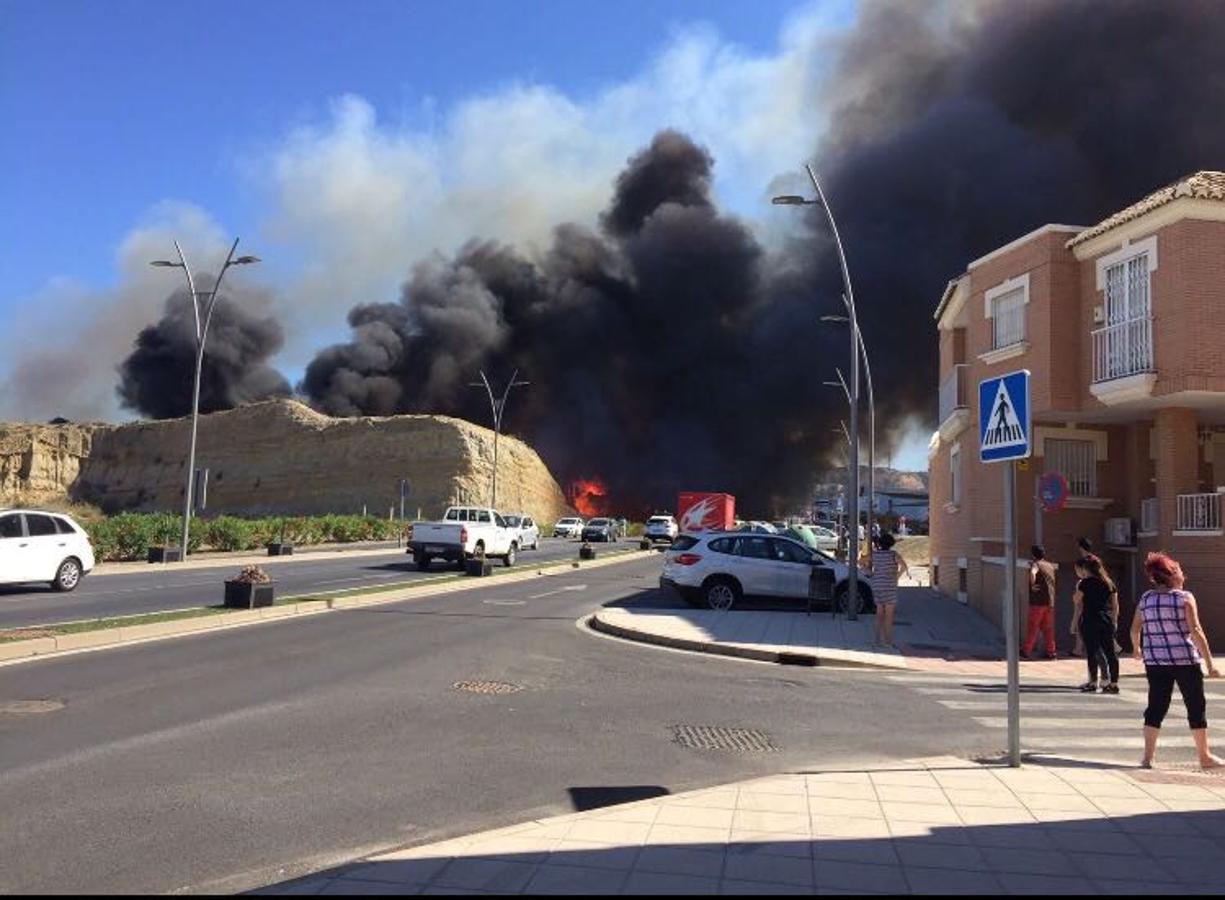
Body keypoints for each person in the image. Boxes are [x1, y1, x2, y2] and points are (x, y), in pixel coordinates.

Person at [1130, 551, 1223, 769]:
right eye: (1180, 570)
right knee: (1195, 705)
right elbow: (1196, 631)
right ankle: (1204, 756)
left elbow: (1135, 629)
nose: (1183, 574)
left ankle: (1148, 757)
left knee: (1156, 706)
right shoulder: (1184, 598)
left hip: (1155, 662)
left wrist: (1137, 648)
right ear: (1172, 575)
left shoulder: (1146, 599)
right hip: (1184, 661)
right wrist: (1210, 664)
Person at [1071, 556, 1119, 692]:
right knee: (1110, 653)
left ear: (1086, 568)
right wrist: (1114, 621)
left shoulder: (1084, 583)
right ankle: (1114, 683)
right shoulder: (1109, 582)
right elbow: (1115, 605)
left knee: (1092, 651)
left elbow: (1076, 600)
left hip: (1089, 619)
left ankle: (1093, 682)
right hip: (1106, 619)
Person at [870, 532, 909, 647]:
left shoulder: (875, 554)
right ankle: (888, 642)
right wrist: (897, 576)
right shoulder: (893, 555)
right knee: (889, 616)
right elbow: (904, 566)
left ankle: (876, 640)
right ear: (891, 544)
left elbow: (861, 562)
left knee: (879, 614)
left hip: (877, 586)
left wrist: (872, 573)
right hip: (889, 586)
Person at [1022, 545, 1058, 661]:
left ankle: (1026, 651)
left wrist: (1032, 585)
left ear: (1033, 555)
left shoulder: (1036, 564)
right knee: (1048, 629)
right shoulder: (1050, 566)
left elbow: (1033, 572)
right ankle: (1051, 652)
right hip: (1050, 602)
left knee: (1033, 627)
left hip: (1038, 602)